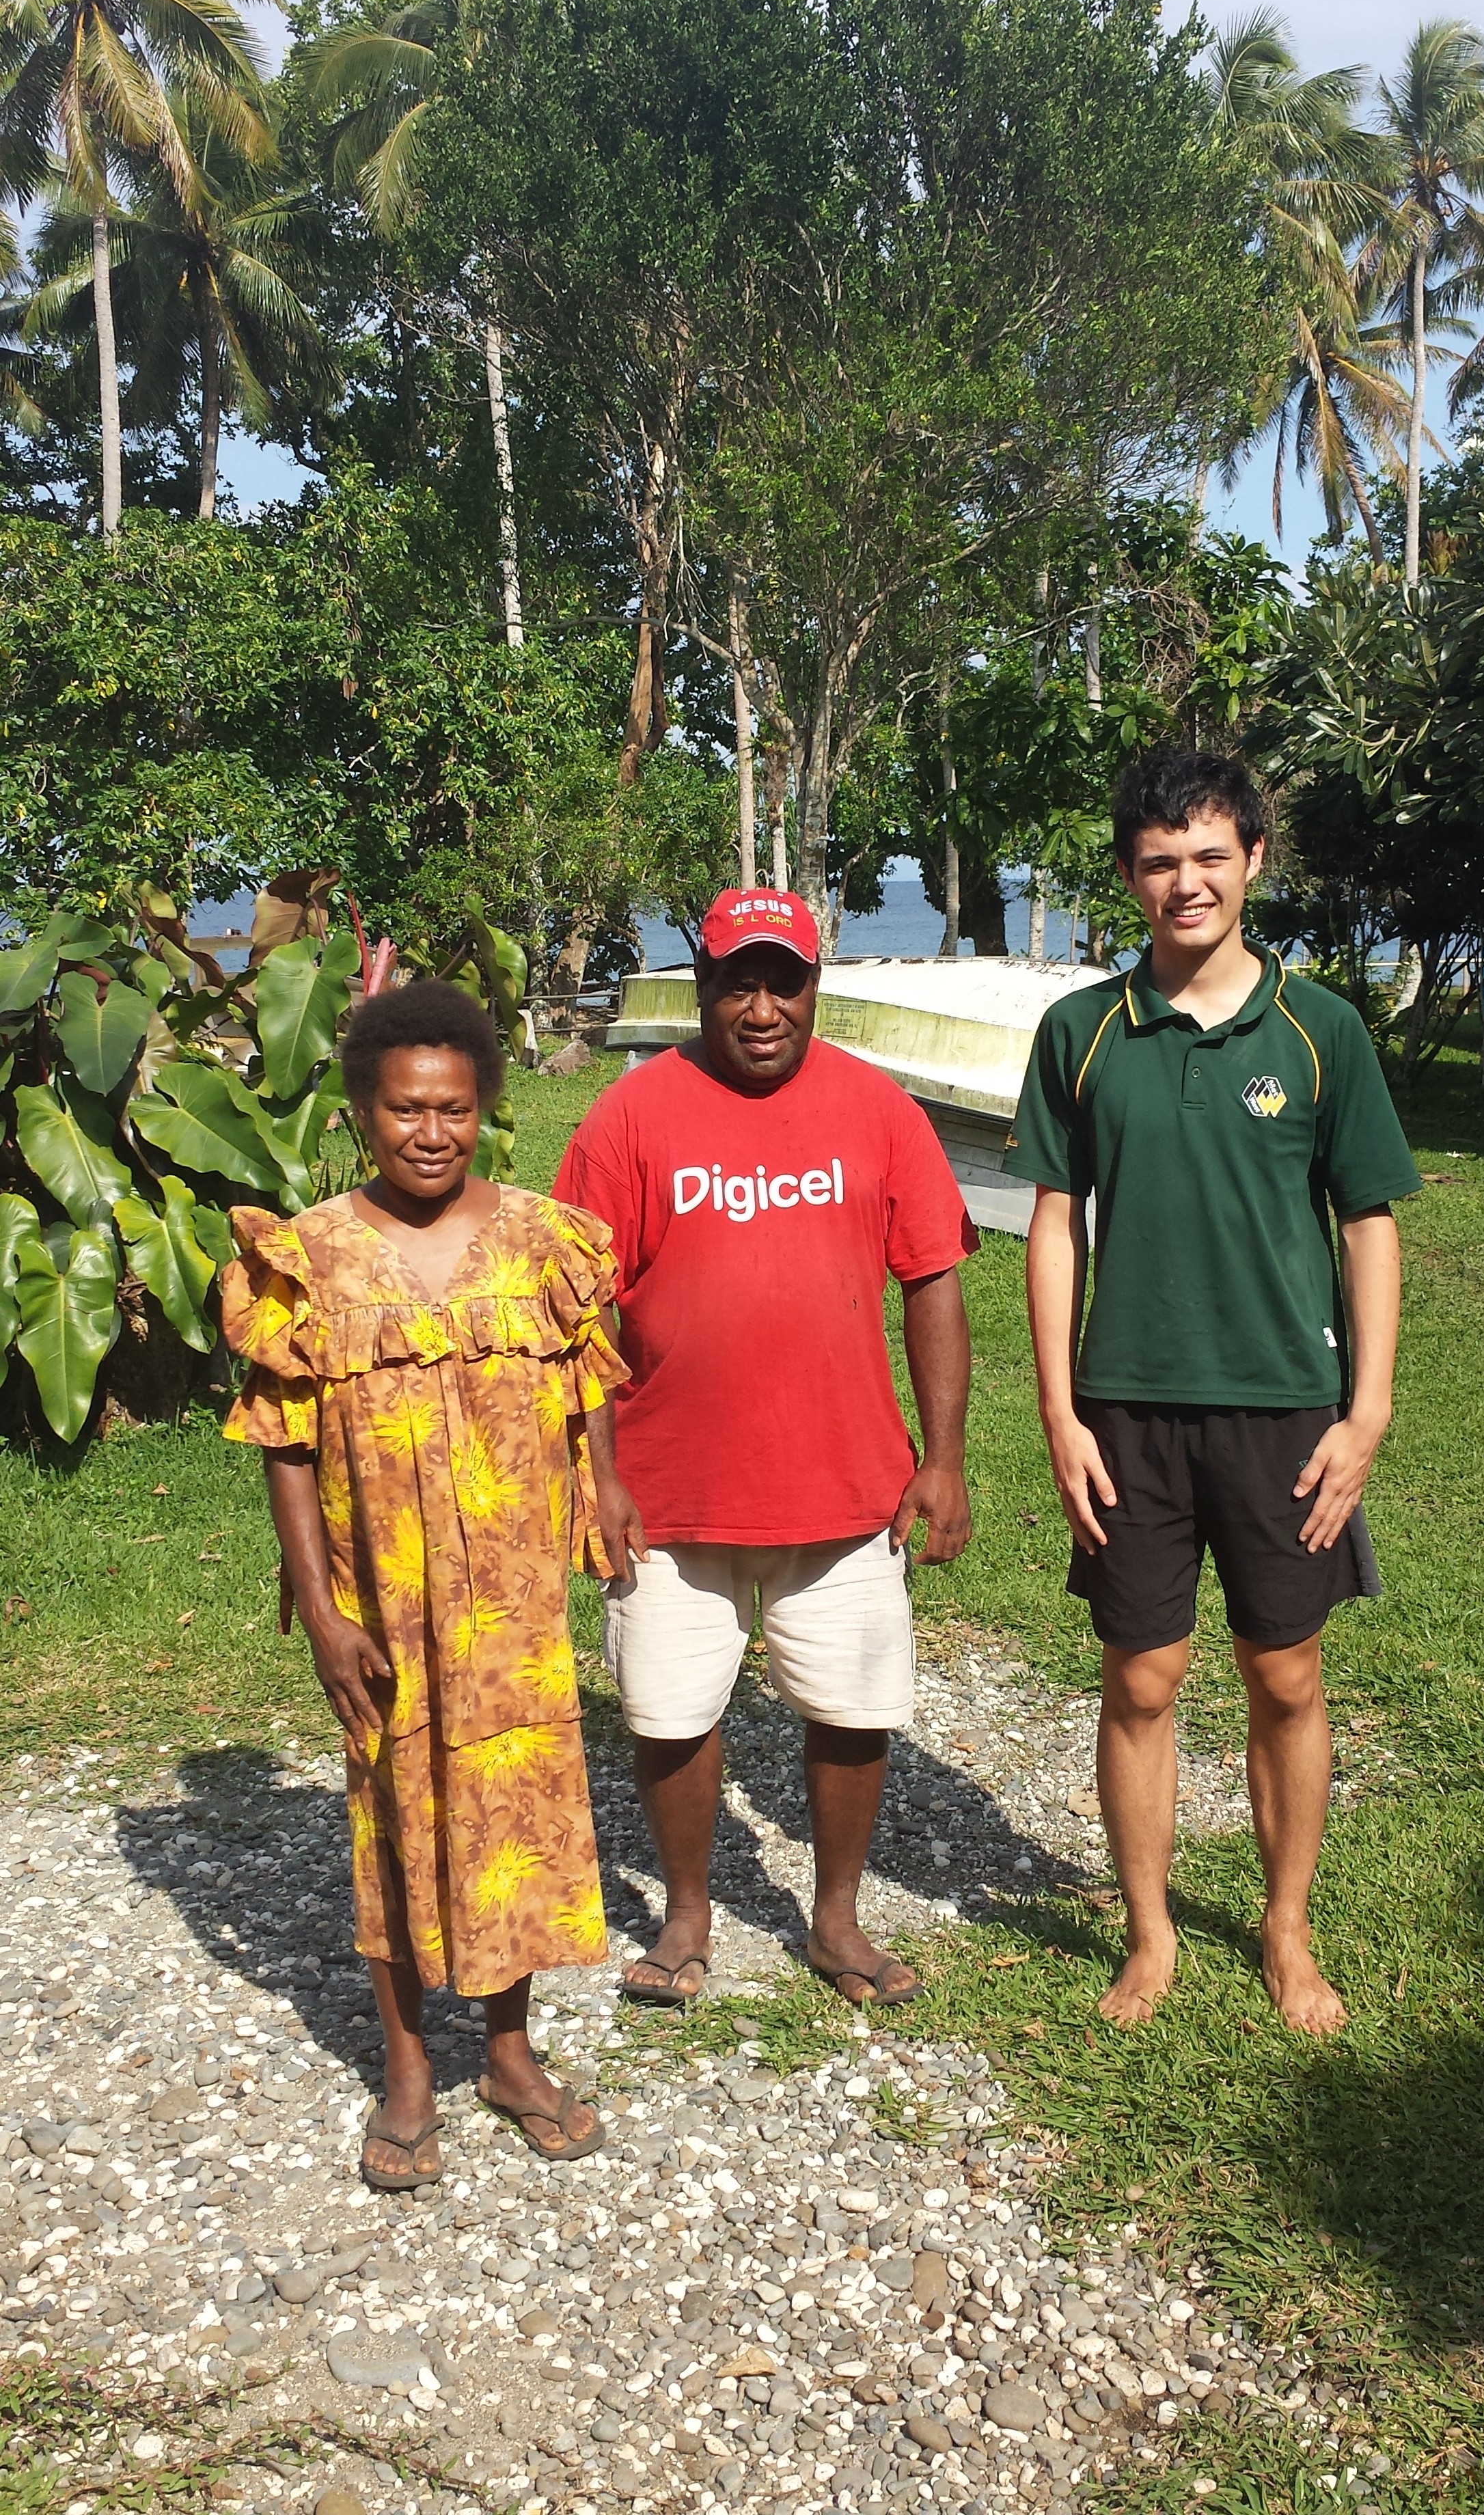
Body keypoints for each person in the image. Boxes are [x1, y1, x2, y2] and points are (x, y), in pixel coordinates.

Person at [1007, 747, 1420, 2035]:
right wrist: (1061, 1411)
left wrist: (1367, 1410)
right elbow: (1053, 1224)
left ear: (1251, 860)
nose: (1183, 882)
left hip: (1285, 1405)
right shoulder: (1083, 1032)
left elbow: (1367, 1222)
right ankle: (1149, 1934)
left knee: (1284, 1673)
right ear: (1128, 877)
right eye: (1155, 861)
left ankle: (1286, 1932)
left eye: (1206, 855)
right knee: (1139, 1678)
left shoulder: (1319, 1031)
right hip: (1126, 1408)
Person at [220, 978, 628, 2187]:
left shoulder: (543, 1238)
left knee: (516, 1811)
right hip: (381, 1590)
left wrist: (603, 1484)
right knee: (395, 1813)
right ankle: (406, 2069)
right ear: (363, 1113)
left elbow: (581, 1377)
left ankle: (507, 2052)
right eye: (405, 1110)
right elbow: (284, 1442)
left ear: (486, 1107)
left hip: (511, 1596)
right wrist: (321, 1610)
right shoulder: (311, 1258)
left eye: (452, 1108)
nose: (431, 1132)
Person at [555, 885, 978, 2008]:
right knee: (666, 1709)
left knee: (851, 1705)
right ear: (700, 984)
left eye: (780, 982)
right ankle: (686, 1920)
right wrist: (594, 1475)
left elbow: (931, 1277)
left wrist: (942, 1458)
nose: (758, 1008)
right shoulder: (631, 1117)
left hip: (845, 1486)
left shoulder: (879, 1111)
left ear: (813, 985)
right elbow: (577, 1311)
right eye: (734, 981)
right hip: (668, 1489)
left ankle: (834, 1922)